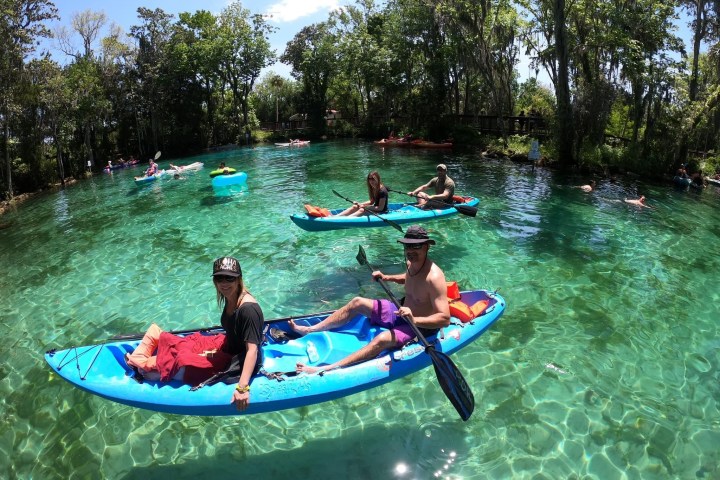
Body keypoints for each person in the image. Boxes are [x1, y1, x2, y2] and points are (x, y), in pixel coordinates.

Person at [291, 225, 450, 374]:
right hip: (400, 310)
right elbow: (409, 278)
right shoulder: (411, 263)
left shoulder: (434, 277)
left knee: (380, 339)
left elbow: (444, 319)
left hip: (419, 326)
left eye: (416, 246)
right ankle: (310, 330)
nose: (410, 250)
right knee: (357, 302)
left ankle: (327, 369)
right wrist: (387, 277)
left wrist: (414, 319)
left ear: (427, 246)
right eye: (407, 245)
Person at [124, 257, 264, 411]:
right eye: (219, 278)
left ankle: (139, 364)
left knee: (158, 369)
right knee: (178, 341)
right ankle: (140, 356)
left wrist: (242, 388)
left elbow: (253, 350)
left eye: (229, 278)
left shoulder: (248, 309)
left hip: (237, 361)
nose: (224, 283)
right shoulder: (231, 296)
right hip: (226, 344)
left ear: (239, 279)